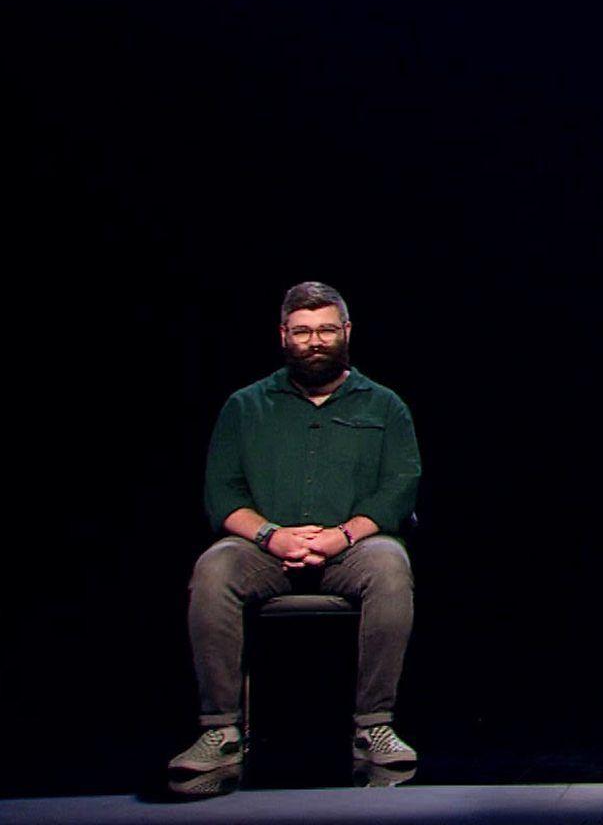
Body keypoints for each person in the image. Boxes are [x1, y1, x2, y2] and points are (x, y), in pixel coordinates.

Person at [169, 282, 422, 773]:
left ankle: (374, 726)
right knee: (215, 567)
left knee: (390, 565)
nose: (315, 341)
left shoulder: (384, 406)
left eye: (326, 329)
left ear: (346, 332)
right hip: (265, 549)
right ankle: (219, 730)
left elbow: (398, 489)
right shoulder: (245, 406)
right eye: (302, 331)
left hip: (352, 548)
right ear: (283, 335)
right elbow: (222, 496)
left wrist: (340, 536)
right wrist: (272, 536)